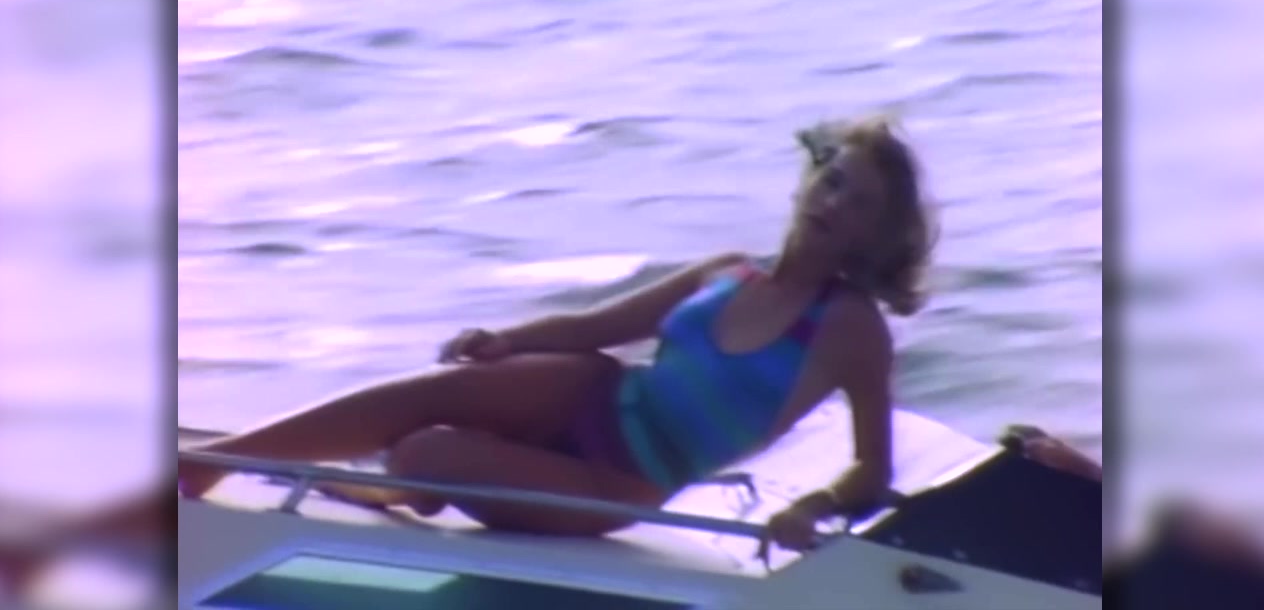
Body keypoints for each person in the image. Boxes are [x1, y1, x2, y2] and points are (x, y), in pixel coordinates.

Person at [176, 113, 938, 552]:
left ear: (875, 236)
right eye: (833, 180)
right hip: (591, 393)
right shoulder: (727, 271)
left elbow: (872, 468)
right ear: (808, 179)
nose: (833, 203)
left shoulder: (850, 329)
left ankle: (392, 480)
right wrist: (506, 341)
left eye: (860, 203)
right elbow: (594, 326)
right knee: (446, 390)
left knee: (426, 454)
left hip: (624, 481)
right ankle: (207, 464)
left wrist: (813, 508)